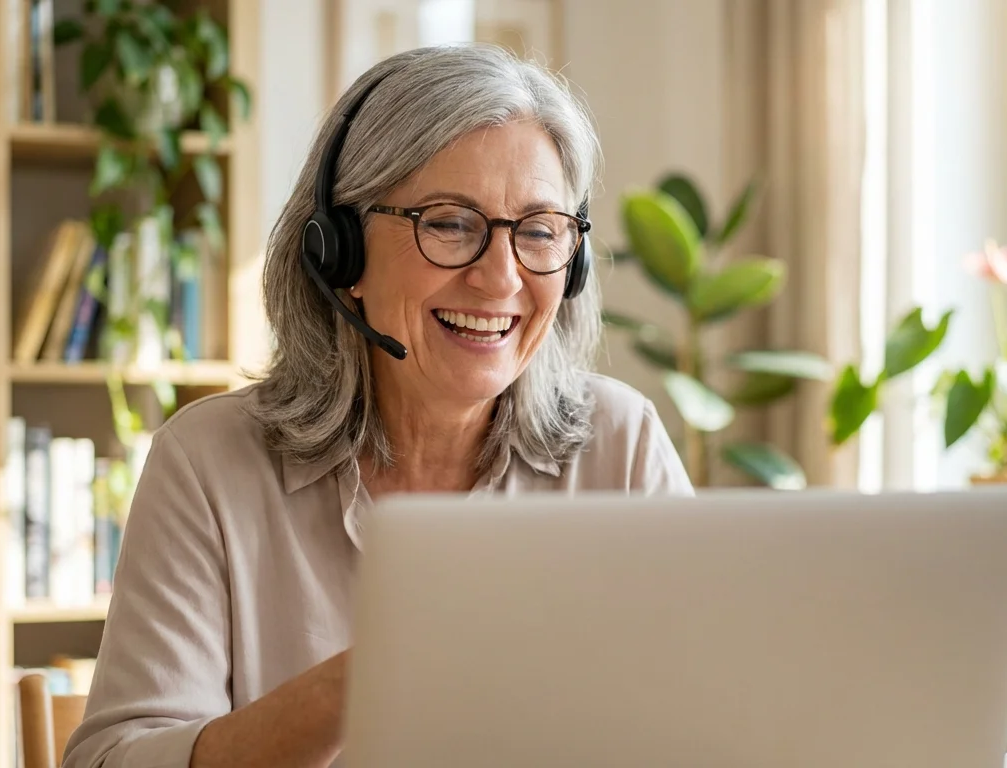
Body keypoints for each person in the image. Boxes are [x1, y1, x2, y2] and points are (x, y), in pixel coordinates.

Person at [61, 43, 692, 768]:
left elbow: (713, 719)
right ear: (342, 255)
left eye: (540, 230)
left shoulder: (622, 444)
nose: (500, 279)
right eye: (451, 223)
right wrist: (375, 674)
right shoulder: (209, 464)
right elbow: (113, 759)